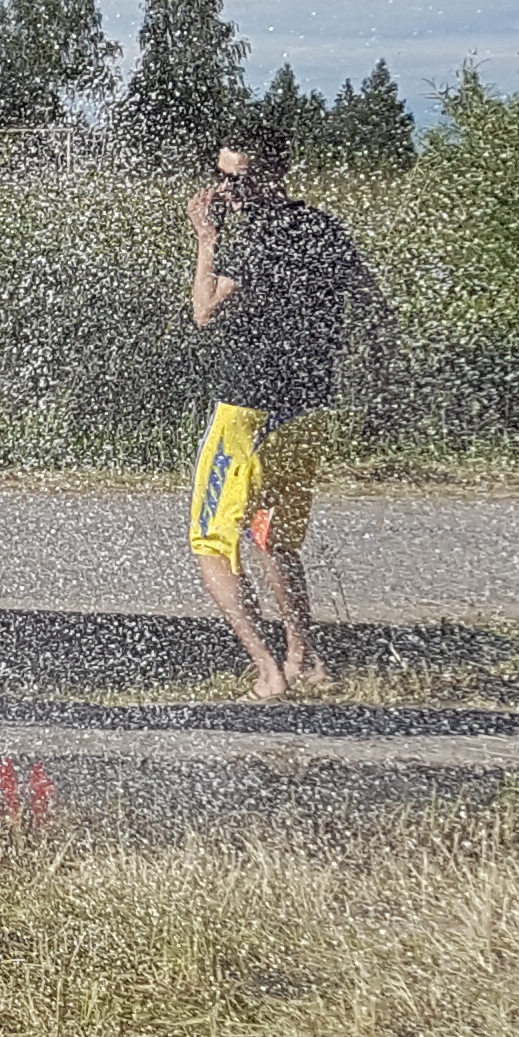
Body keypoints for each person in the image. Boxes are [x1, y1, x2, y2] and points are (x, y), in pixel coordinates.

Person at [186, 124, 391, 700]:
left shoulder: (250, 241)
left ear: (271, 174)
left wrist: (205, 241)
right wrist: (379, 387)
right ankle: (304, 655)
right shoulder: (323, 227)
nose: (227, 191)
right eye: (221, 178)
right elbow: (373, 308)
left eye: (239, 179)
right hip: (309, 408)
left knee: (211, 541)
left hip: (246, 413)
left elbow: (204, 311)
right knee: (272, 536)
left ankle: (268, 671)